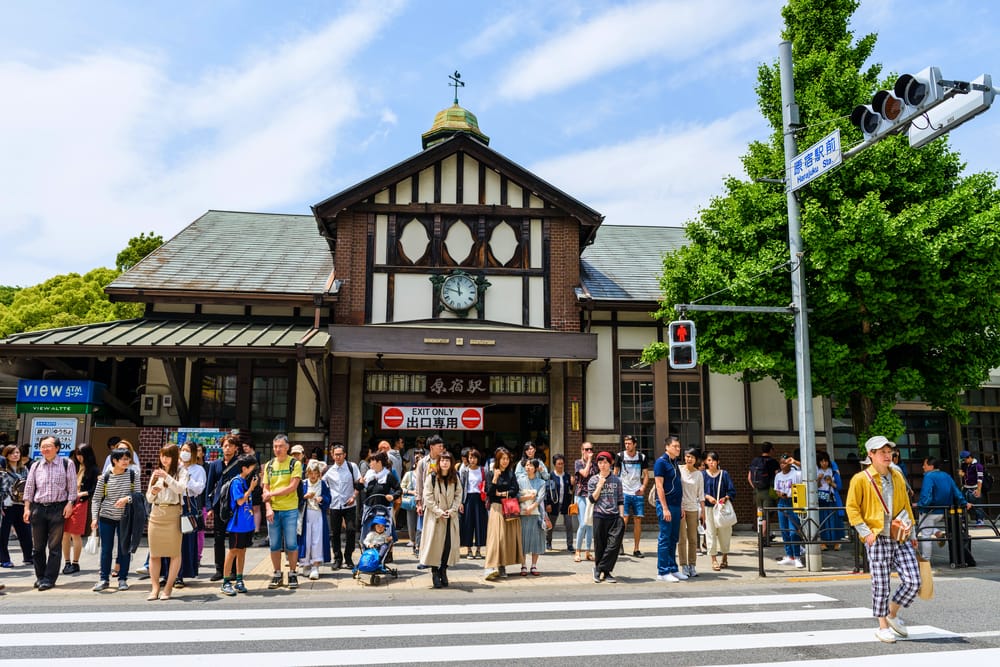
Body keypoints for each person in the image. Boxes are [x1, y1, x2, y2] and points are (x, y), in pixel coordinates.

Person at [845, 435, 921, 644]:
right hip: (877, 537)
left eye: (889, 452)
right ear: (871, 455)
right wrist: (866, 533)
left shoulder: (897, 475)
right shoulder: (861, 479)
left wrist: (912, 533)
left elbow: (906, 504)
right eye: (882, 452)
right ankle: (882, 626)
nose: (888, 456)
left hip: (900, 535)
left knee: (914, 581)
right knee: (881, 584)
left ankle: (892, 613)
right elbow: (852, 508)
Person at [22, 436, 77, 591]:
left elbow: (72, 488)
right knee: (37, 547)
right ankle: (40, 576)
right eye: (42, 446)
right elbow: (29, 488)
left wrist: (70, 504)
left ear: (57, 448)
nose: (45, 449)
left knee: (54, 546)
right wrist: (27, 508)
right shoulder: (36, 465)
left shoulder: (67, 464)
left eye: (49, 446)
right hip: (38, 508)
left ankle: (49, 578)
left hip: (58, 508)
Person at [145, 444, 189, 601]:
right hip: (156, 513)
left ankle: (168, 587)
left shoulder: (181, 471)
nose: (164, 459)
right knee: (154, 553)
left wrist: (166, 477)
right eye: (162, 456)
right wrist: (153, 492)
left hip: (173, 513)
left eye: (167, 456)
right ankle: (155, 587)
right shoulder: (157, 472)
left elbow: (180, 489)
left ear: (174, 457)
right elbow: (149, 498)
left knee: (174, 553)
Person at [90, 449, 138, 592]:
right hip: (106, 516)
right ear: (114, 461)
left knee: (124, 549)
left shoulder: (132, 475)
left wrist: (126, 499)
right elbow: (96, 499)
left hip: (125, 517)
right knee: (106, 549)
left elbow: (138, 495)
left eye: (127, 459)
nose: (126, 462)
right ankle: (104, 579)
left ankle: (123, 578)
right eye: (122, 459)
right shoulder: (105, 477)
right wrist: (94, 518)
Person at [262, 434, 303, 590]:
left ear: (287, 447)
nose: (277, 449)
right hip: (273, 510)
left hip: (290, 509)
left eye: (280, 446)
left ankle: (292, 573)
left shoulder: (295, 464)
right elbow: (265, 488)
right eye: (275, 446)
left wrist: (271, 494)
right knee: (274, 545)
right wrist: (268, 507)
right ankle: (277, 573)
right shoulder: (269, 465)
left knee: (291, 544)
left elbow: (292, 487)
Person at [420, 450, 461, 588]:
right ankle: (435, 572)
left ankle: (443, 570)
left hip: (450, 517)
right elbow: (428, 497)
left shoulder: (455, 477)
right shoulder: (431, 477)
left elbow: (458, 495)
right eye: (442, 460)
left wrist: (452, 510)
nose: (444, 463)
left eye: (447, 460)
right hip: (435, 517)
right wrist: (438, 511)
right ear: (438, 462)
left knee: (448, 546)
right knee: (434, 545)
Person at [917, 457, 970, 560]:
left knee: (925, 534)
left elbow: (926, 494)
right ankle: (938, 533)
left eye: (925, 464)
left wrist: (921, 505)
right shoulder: (946, 476)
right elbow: (956, 491)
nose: (923, 467)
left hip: (930, 510)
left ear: (931, 466)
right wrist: (964, 502)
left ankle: (925, 559)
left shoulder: (928, 476)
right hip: (944, 510)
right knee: (925, 527)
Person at [205, 433, 242, 581]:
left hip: (235, 506)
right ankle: (219, 570)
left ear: (235, 448)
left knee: (234, 538)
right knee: (218, 538)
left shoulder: (240, 464)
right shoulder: (215, 465)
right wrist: (209, 508)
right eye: (225, 446)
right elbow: (209, 487)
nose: (227, 449)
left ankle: (233, 570)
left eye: (230, 446)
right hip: (219, 505)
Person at [221, 455, 258, 596]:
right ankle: (225, 581)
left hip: (246, 524)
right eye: (252, 468)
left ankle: (239, 579)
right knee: (233, 551)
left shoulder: (244, 481)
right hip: (236, 525)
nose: (254, 471)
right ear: (244, 468)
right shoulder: (237, 482)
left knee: (242, 551)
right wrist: (251, 489)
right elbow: (240, 501)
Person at [484, 446, 523, 581]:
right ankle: (490, 566)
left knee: (507, 538)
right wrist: (495, 478)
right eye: (503, 459)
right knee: (497, 538)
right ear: (498, 459)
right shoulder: (490, 473)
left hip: (509, 507)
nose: (505, 461)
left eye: (507, 459)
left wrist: (502, 493)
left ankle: (502, 566)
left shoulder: (511, 473)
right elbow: (489, 492)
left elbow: (515, 489)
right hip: (496, 508)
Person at [172, 440, 206, 589]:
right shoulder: (174, 467)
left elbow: (199, 489)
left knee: (185, 541)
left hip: (188, 507)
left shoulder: (198, 470)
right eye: (182, 449)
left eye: (188, 450)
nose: (184, 453)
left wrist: (187, 481)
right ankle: (168, 574)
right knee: (171, 541)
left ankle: (180, 575)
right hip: (173, 505)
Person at [322, 443, 361, 570]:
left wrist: (354, 496)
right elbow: (322, 485)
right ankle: (337, 558)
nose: (338, 457)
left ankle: (348, 558)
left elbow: (359, 482)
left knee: (350, 530)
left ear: (344, 455)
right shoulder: (328, 470)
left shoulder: (352, 466)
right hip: (334, 505)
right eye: (336, 455)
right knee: (335, 533)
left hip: (349, 504)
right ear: (332, 456)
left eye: (340, 454)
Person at [62, 443, 98, 576]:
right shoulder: (72, 466)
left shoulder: (93, 469)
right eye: (77, 454)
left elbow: (95, 488)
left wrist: (83, 494)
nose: (79, 457)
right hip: (67, 502)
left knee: (75, 533)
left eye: (81, 454)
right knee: (64, 533)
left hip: (81, 502)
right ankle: (66, 562)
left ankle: (75, 562)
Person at [588, 451, 624, 583]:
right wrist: (600, 485)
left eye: (605, 462)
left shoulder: (617, 480)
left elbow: (620, 499)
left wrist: (621, 516)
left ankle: (601, 568)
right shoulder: (593, 480)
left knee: (613, 545)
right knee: (600, 545)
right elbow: (592, 499)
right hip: (599, 515)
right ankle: (604, 571)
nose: (602, 465)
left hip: (614, 516)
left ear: (610, 463)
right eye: (600, 462)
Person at [654, 436, 685, 582]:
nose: (678, 449)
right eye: (675, 446)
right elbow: (659, 486)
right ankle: (663, 571)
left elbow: (678, 485)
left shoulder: (675, 463)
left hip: (676, 505)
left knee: (674, 538)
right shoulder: (661, 462)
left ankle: (673, 568)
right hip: (665, 505)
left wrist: (681, 506)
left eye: (679, 446)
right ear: (667, 447)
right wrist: (664, 508)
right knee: (665, 538)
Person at [614, 435, 649, 558]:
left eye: (629, 443)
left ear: (634, 444)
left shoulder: (642, 457)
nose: (627, 445)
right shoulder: (620, 456)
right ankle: (619, 545)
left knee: (638, 519)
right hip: (624, 492)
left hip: (637, 491)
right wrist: (617, 490)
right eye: (626, 443)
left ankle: (636, 548)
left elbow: (645, 475)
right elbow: (615, 473)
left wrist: (643, 488)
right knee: (623, 519)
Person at [702, 451, 736, 571]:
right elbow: (700, 491)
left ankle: (725, 557)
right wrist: (707, 496)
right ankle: (714, 560)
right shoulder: (703, 475)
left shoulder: (724, 474)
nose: (711, 463)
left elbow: (732, 490)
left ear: (718, 462)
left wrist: (725, 498)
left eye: (713, 460)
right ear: (706, 461)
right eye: (709, 460)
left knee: (725, 533)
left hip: (722, 508)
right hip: (708, 508)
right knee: (710, 533)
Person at [298, 460, 331, 581]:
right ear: (307, 473)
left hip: (318, 515)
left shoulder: (323, 484)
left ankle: (315, 566)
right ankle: (305, 565)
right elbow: (297, 499)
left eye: (315, 473)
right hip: (305, 516)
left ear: (318, 473)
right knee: (305, 540)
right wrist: (304, 497)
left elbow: (328, 498)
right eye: (310, 473)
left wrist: (321, 499)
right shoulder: (303, 484)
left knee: (317, 540)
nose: (312, 475)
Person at [1, 444, 33, 568]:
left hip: (21, 504)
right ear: (7, 455)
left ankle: (28, 557)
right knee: (3, 534)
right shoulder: (3, 470)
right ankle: (4, 559)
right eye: (12, 453)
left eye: (17, 453)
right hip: (6, 505)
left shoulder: (24, 469)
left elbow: (29, 486)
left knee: (25, 532)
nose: (15, 455)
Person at [518, 458, 550, 576]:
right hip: (522, 514)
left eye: (531, 466)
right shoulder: (519, 481)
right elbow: (517, 496)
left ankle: (534, 565)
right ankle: (523, 565)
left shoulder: (541, 482)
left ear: (536, 468)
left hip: (537, 514)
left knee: (536, 539)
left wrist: (531, 507)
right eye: (526, 465)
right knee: (523, 539)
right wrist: (527, 497)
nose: (528, 467)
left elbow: (540, 497)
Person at [677, 447, 704, 578]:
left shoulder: (699, 474)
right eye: (687, 456)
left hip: (693, 508)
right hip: (680, 508)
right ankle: (683, 565)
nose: (689, 459)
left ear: (696, 459)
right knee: (681, 538)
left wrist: (703, 511)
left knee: (693, 538)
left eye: (692, 457)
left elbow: (701, 494)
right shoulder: (679, 470)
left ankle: (692, 565)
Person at [774, 453, 804, 568]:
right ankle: (789, 555)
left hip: (794, 502)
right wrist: (780, 494)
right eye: (781, 463)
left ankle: (797, 556)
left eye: (785, 463)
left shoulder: (796, 473)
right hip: (782, 503)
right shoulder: (778, 475)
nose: (783, 465)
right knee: (784, 530)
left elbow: (808, 470)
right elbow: (776, 489)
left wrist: (795, 462)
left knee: (793, 531)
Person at [748, 442, 781, 542]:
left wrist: (755, 487)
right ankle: (764, 537)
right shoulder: (773, 462)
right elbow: (777, 477)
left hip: (757, 491)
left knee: (760, 514)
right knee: (767, 515)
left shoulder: (755, 461)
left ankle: (762, 534)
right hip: (769, 491)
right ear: (771, 450)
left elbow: (749, 477)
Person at [458, 448, 487, 559]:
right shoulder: (464, 471)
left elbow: (486, 485)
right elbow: (460, 487)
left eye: (474, 457)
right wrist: (461, 502)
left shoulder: (483, 470)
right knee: (468, 524)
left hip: (480, 499)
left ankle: (479, 549)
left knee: (480, 524)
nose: (472, 460)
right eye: (470, 457)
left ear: (478, 458)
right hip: (468, 498)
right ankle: (469, 549)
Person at [545, 454, 574, 552]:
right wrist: (548, 503)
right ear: (554, 465)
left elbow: (571, 490)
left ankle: (570, 545)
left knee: (569, 525)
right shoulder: (551, 476)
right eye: (558, 464)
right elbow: (548, 491)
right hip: (554, 503)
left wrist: (573, 484)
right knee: (551, 524)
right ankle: (548, 542)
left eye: (562, 463)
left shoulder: (567, 476)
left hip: (566, 503)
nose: (561, 466)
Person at [573, 442, 596, 563]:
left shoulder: (595, 465)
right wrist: (589, 461)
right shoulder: (578, 463)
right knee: (582, 524)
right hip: (581, 495)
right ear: (582, 450)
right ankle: (577, 551)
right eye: (586, 449)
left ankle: (587, 551)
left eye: (591, 449)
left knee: (590, 524)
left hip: (591, 497)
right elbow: (585, 473)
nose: (589, 451)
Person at [817, 451, 844, 550]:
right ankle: (823, 542)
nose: (824, 463)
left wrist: (831, 483)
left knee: (834, 520)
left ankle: (836, 541)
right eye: (821, 461)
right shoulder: (816, 471)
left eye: (826, 461)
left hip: (832, 499)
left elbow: (839, 486)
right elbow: (814, 487)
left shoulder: (833, 472)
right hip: (821, 499)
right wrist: (819, 479)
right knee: (822, 520)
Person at [400, 448, 423, 556]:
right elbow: (401, 488)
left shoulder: (427, 474)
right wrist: (411, 491)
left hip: (423, 502)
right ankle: (413, 541)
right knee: (411, 524)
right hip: (411, 502)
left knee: (421, 525)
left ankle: (419, 544)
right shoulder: (409, 474)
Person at [960, 450, 987, 525]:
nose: (964, 461)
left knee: (977, 504)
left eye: (965, 459)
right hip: (965, 487)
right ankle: (964, 518)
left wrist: (978, 489)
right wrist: (962, 473)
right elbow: (963, 472)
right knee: (963, 503)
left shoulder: (978, 466)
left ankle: (980, 519)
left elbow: (980, 479)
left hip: (974, 487)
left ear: (969, 457)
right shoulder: (964, 464)